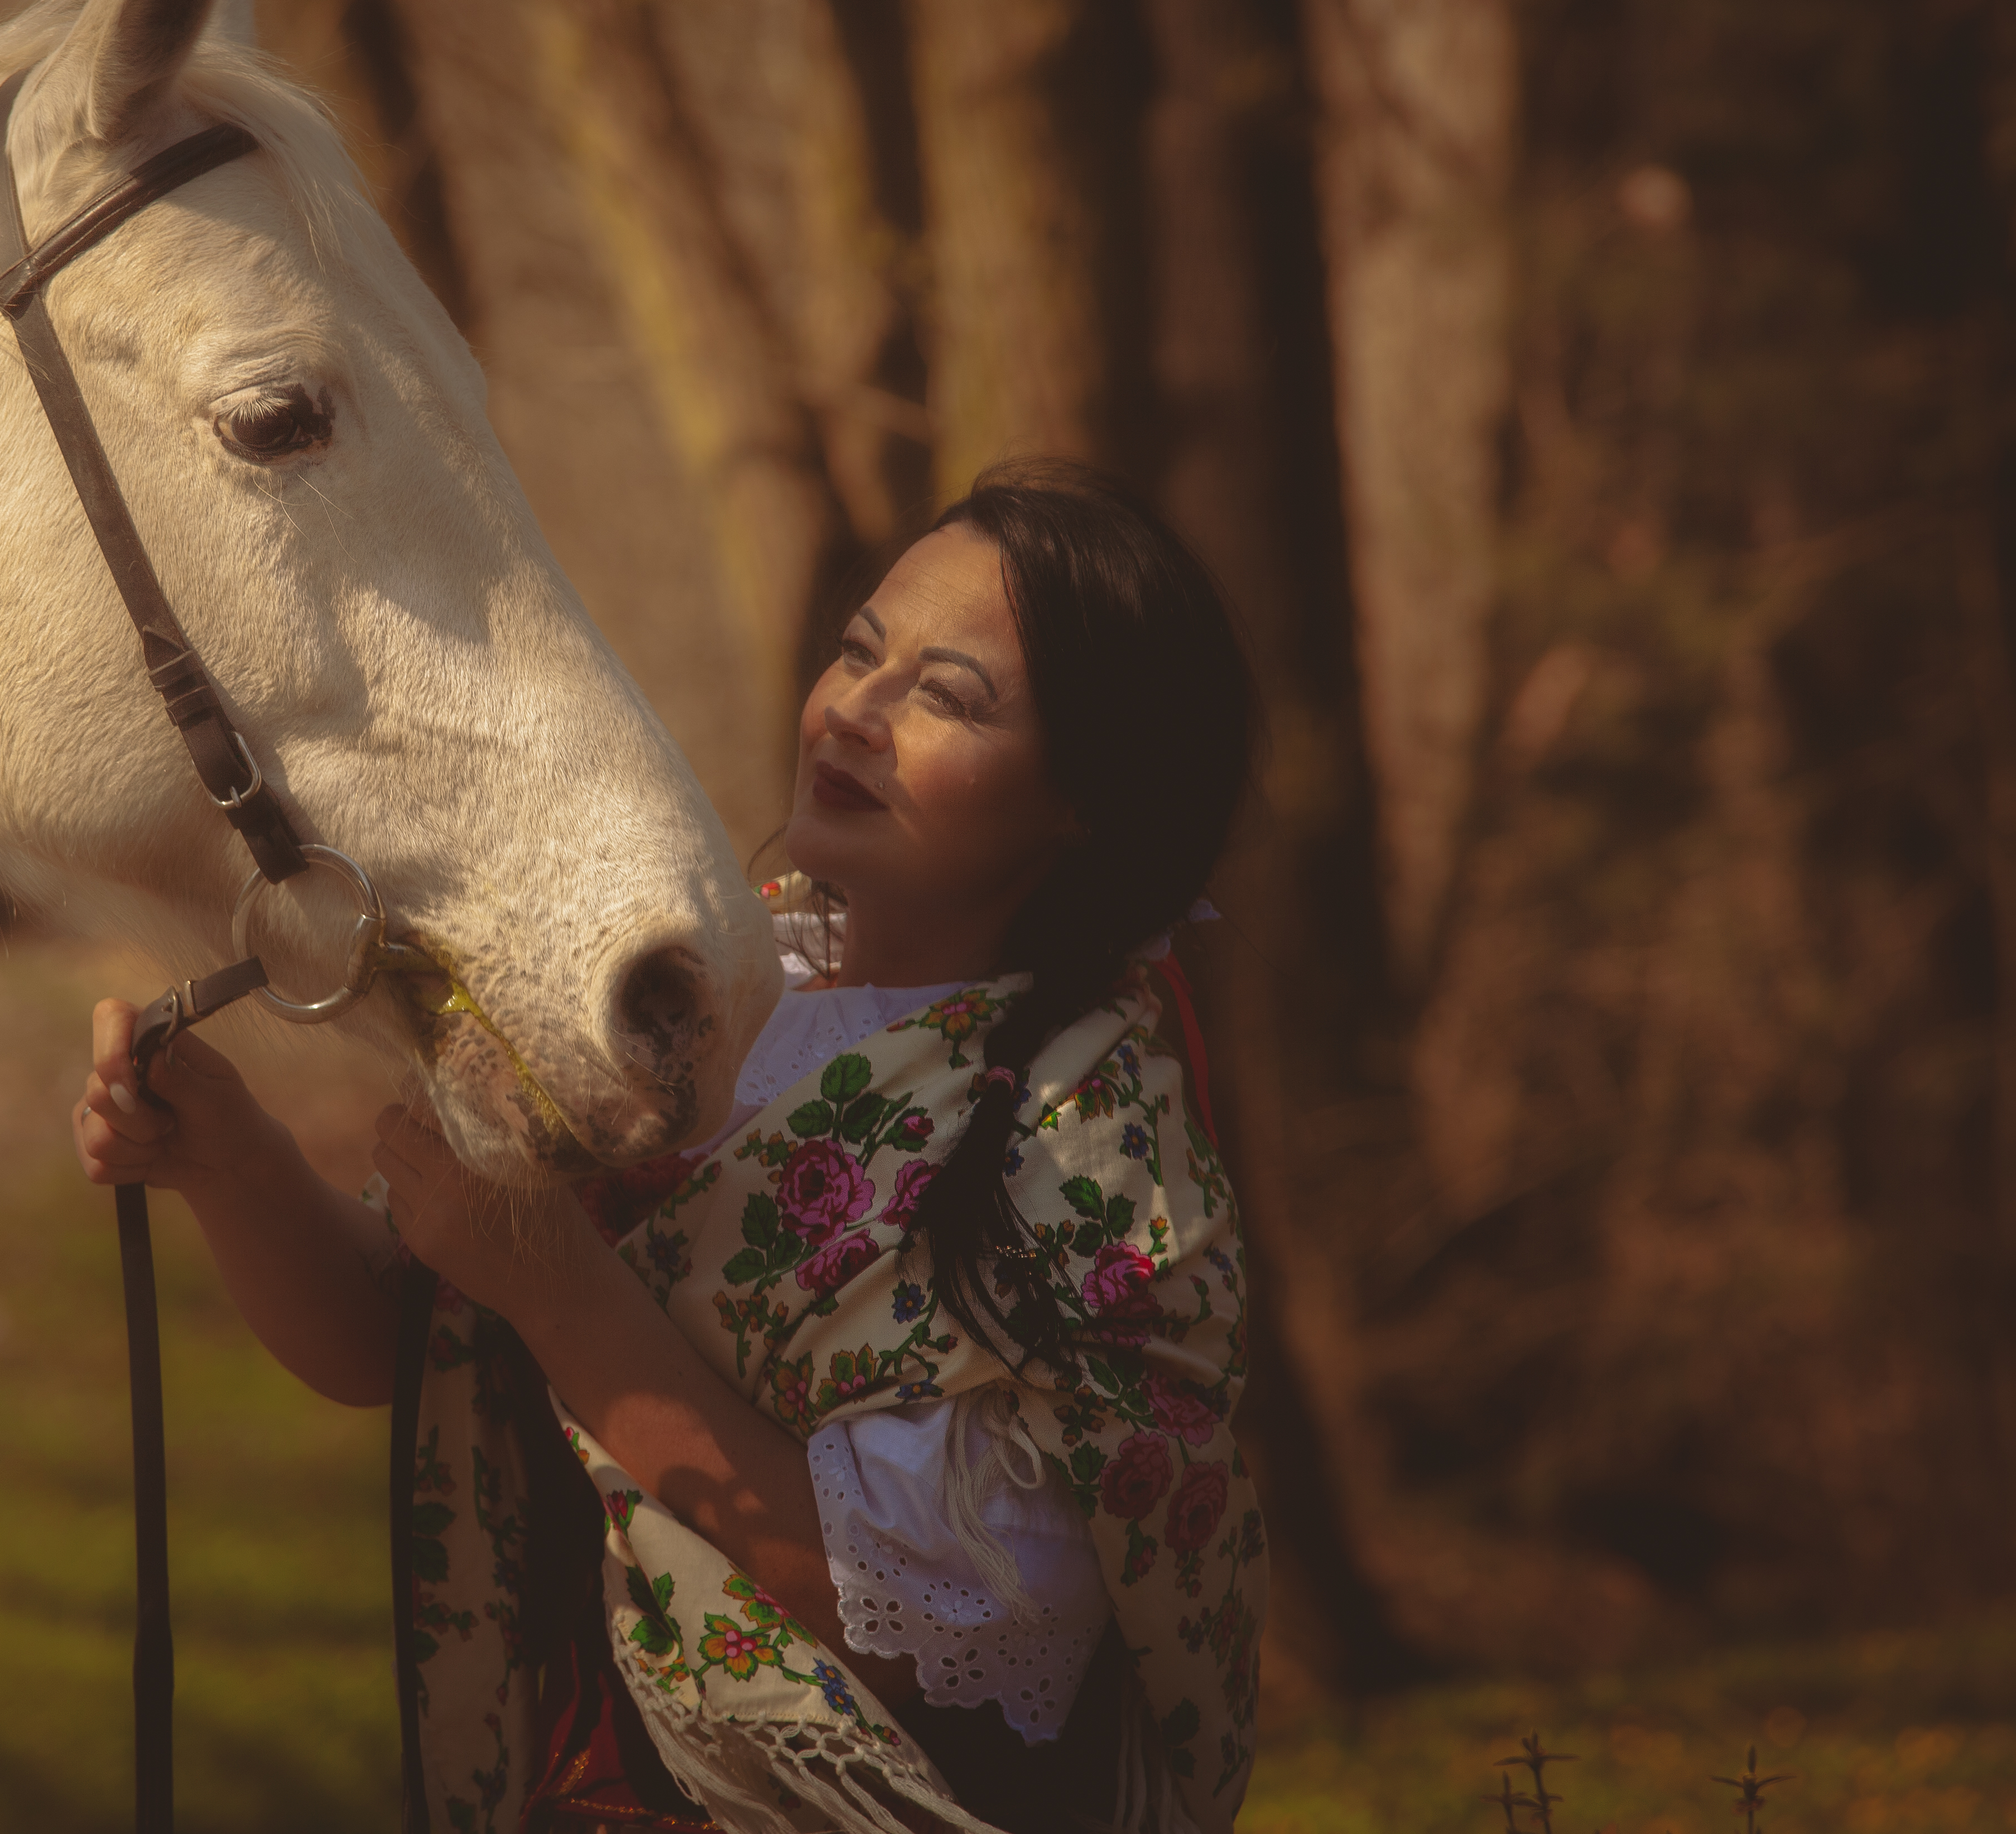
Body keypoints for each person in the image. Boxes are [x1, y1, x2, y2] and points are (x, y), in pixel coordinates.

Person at [72, 461, 1266, 1834]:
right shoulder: (696, 981)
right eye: (860, 653)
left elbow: (970, 1633)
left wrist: (561, 1293)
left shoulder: (1089, 1138)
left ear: (1087, 803)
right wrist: (229, 1156)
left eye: (948, 695)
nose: (858, 713)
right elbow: (403, 1343)